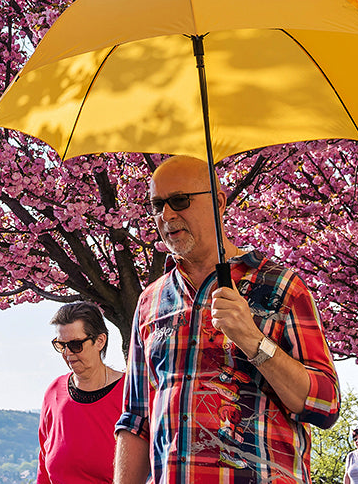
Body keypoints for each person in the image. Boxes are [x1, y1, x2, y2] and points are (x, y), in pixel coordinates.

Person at [114, 156, 340, 484]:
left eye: (180, 200)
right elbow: (136, 420)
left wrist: (252, 340)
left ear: (219, 202)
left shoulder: (280, 287)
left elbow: (325, 403)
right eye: (157, 204)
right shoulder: (150, 301)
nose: (167, 215)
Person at [37, 301, 125, 484]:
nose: (67, 353)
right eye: (61, 345)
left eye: (76, 345)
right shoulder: (54, 392)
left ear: (100, 341)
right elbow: (44, 465)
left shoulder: (129, 393)